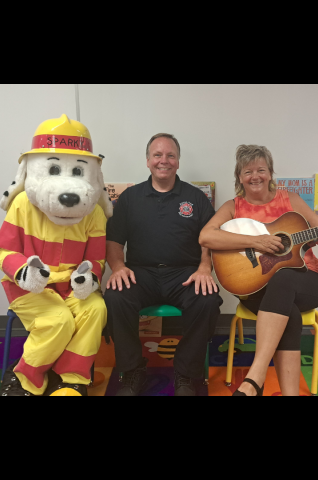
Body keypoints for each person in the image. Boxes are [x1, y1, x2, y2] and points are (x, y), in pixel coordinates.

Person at [199, 145, 318, 396]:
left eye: (261, 169)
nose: (255, 176)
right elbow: (206, 237)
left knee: (284, 277)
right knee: (287, 311)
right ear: (239, 176)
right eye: (248, 171)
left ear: (270, 173)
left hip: (307, 282)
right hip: (256, 288)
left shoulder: (290, 200)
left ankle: (254, 377)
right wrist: (255, 242)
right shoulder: (232, 207)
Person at [0, 115, 111, 397]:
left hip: (72, 287)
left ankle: (72, 378)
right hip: (30, 288)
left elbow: (97, 257)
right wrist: (23, 271)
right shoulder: (22, 204)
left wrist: (89, 276)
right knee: (58, 320)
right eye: (54, 169)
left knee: (96, 310)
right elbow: (3, 250)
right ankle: (27, 377)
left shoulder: (93, 212)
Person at [104, 133, 223, 396]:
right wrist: (118, 268)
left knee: (207, 299)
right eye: (157, 155)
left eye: (170, 155)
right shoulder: (129, 198)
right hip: (140, 273)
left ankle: (186, 374)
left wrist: (205, 268)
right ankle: (133, 371)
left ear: (178, 162)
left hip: (185, 273)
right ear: (148, 161)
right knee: (115, 296)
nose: (164, 161)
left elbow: (211, 239)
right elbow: (113, 240)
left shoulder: (196, 198)